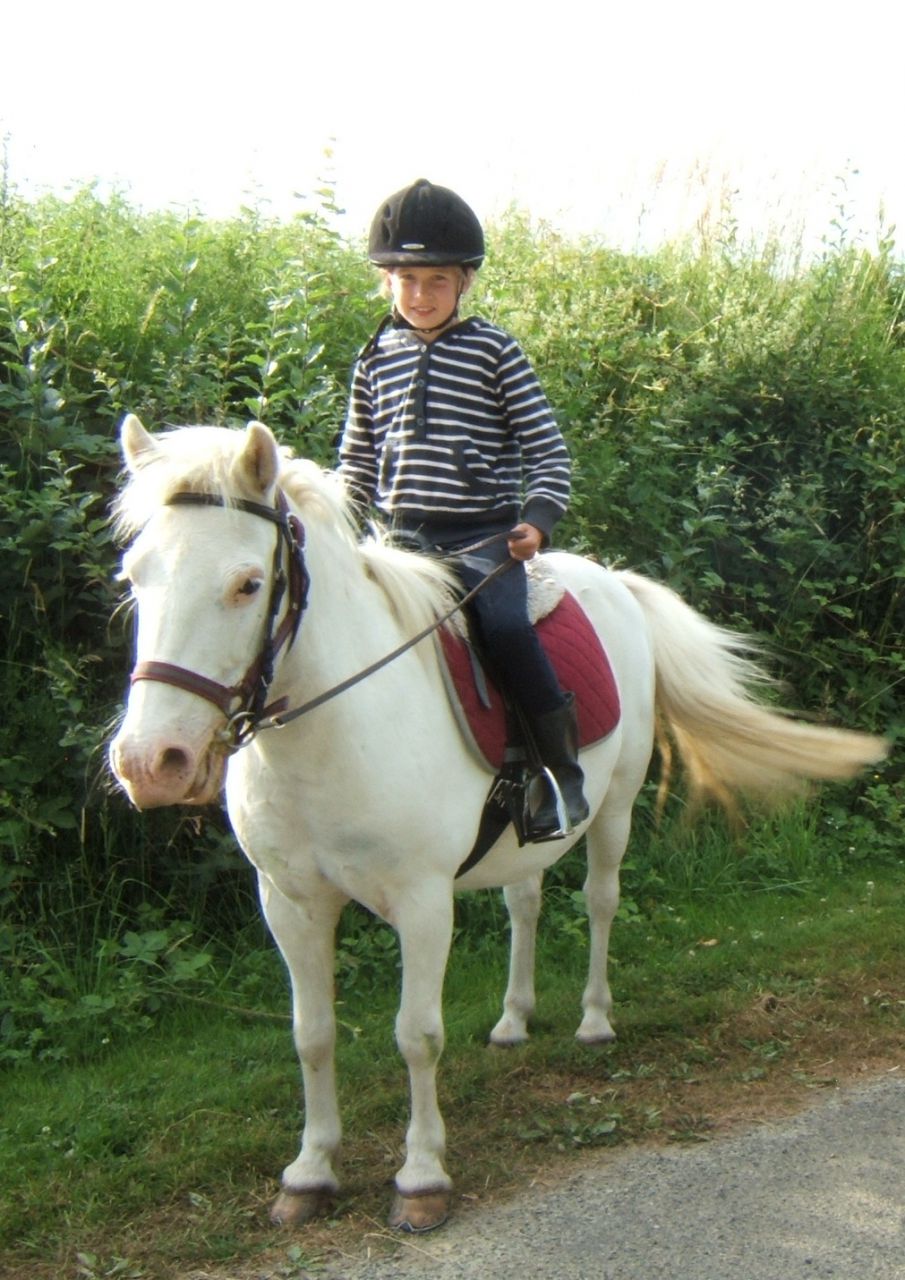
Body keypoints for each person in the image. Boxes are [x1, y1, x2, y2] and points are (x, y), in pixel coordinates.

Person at [337, 178, 588, 840]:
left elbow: (548, 451)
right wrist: (337, 526)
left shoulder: (493, 351)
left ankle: (557, 774)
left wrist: (537, 519)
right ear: (387, 281)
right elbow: (355, 463)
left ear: (465, 282)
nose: (420, 295)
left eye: (437, 281)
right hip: (395, 542)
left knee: (505, 631)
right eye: (407, 280)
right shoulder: (374, 357)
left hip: (480, 542)